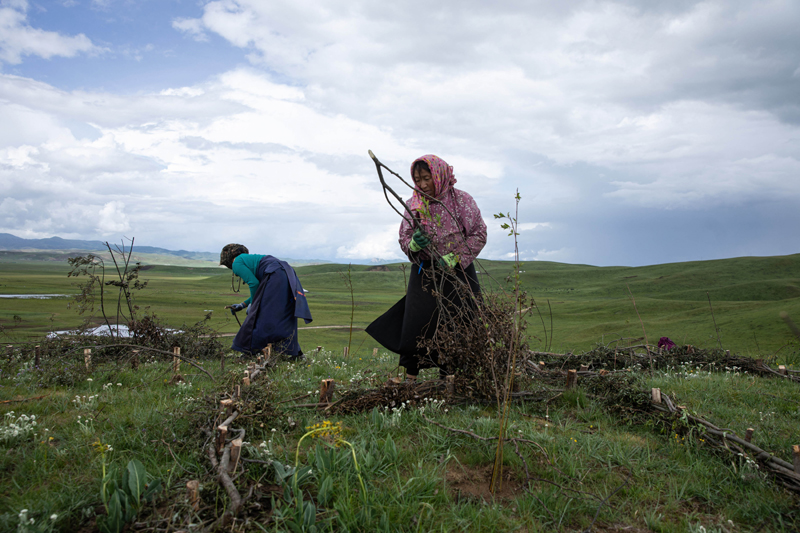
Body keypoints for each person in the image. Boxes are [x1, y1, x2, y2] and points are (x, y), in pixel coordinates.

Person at [366, 154, 487, 381]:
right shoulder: (413, 204)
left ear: (438, 176)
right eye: (417, 179)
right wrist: (412, 244)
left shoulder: (462, 201)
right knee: (417, 323)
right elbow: (404, 237)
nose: (421, 185)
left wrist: (455, 258)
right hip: (425, 271)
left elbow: (479, 233)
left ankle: (449, 378)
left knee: (459, 323)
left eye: (426, 178)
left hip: (458, 272)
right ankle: (411, 378)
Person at [220, 244, 312, 358]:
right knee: (282, 314)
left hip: (275, 273)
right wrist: (243, 305)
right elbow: (260, 289)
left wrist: (253, 306)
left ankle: (251, 351)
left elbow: (254, 284)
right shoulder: (250, 260)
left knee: (262, 315)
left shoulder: (237, 263)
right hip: (286, 272)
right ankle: (296, 353)